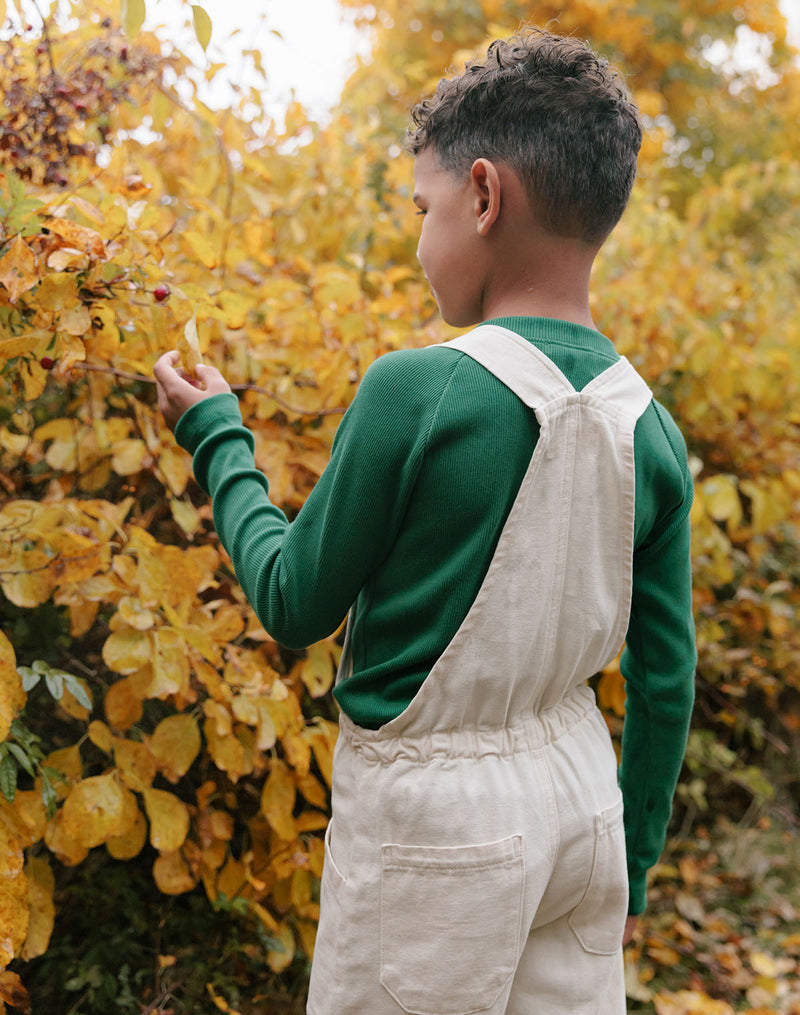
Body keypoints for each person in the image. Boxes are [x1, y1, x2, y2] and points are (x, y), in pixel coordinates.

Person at [154, 25, 696, 1015]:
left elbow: (289, 600)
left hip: (434, 841)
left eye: (422, 206)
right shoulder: (647, 429)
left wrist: (215, 432)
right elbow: (664, 680)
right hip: (583, 813)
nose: (417, 235)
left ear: (482, 195)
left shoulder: (416, 391)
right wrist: (636, 860)